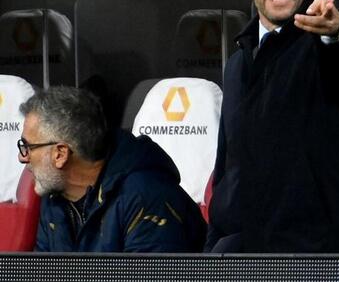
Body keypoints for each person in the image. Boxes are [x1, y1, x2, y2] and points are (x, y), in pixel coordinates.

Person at [205, 0, 339, 252]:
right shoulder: (236, 66)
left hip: (325, 265)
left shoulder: (324, 48)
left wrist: (338, 32)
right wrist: (214, 247)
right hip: (249, 261)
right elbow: (226, 173)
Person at [18, 86, 206, 252]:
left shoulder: (146, 197)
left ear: (60, 154)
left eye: (28, 147)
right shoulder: (54, 198)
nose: (22, 157)